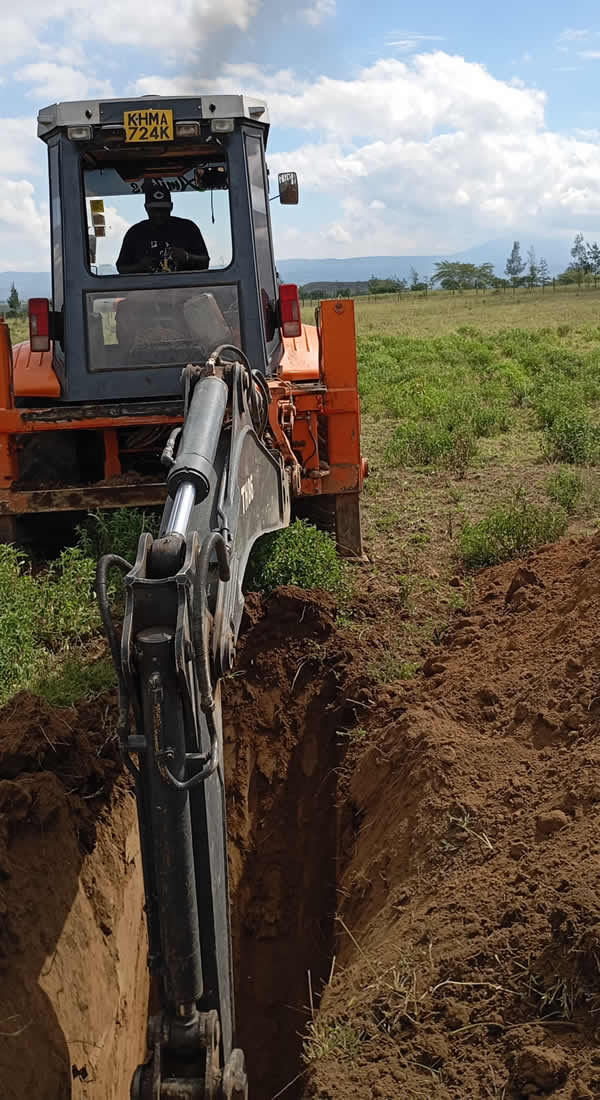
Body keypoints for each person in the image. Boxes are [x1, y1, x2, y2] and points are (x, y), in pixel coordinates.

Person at [116, 179, 210, 274]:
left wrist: (186, 257)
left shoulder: (188, 228)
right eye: (154, 210)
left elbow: (205, 262)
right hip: (146, 287)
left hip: (184, 286)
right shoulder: (135, 233)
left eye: (163, 209)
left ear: (171, 207)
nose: (159, 214)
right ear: (146, 208)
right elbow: (121, 268)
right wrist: (140, 266)